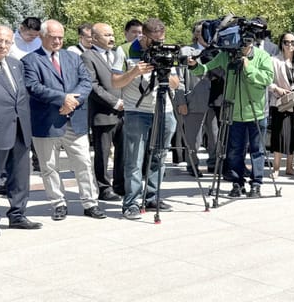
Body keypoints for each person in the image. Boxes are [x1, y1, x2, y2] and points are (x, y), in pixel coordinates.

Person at [22, 20, 105, 221]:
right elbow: (33, 87)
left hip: (74, 120)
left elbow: (85, 82)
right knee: (49, 165)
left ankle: (90, 202)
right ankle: (58, 203)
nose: (58, 41)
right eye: (53, 37)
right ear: (42, 36)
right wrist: (63, 99)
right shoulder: (30, 61)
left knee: (84, 162)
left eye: (60, 37)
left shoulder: (73, 58)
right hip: (46, 122)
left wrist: (72, 101)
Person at [189, 28, 275, 198]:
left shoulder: (262, 56)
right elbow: (204, 69)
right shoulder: (226, 55)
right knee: (235, 150)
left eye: (248, 43)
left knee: (257, 150)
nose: (244, 46)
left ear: (253, 42)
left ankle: (256, 184)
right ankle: (237, 183)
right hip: (234, 113)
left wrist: (248, 67)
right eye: (242, 42)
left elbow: (267, 79)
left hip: (256, 111)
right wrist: (194, 65)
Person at [113, 18, 181, 219]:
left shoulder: (166, 49)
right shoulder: (124, 50)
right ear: (143, 35)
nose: (158, 44)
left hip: (164, 109)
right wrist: (134, 72)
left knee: (160, 156)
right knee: (134, 159)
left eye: (162, 39)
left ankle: (152, 197)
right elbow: (115, 82)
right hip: (136, 110)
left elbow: (176, 83)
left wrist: (163, 71)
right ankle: (131, 203)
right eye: (155, 41)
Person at [0, 26, 43, 236]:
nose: (3, 46)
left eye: (8, 42)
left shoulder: (16, 65)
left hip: (20, 128)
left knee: (20, 175)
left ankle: (17, 214)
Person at [79, 23, 125, 201]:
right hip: (103, 113)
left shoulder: (116, 55)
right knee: (103, 153)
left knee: (123, 151)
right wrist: (114, 102)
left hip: (124, 112)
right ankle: (103, 187)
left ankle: (120, 185)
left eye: (112, 34)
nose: (111, 38)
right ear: (95, 38)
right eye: (106, 35)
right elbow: (92, 85)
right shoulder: (87, 56)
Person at [175, 22, 220, 178]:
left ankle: (214, 163)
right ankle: (192, 164)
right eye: (202, 31)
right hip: (193, 101)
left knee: (215, 136)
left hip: (215, 101)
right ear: (196, 34)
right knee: (193, 138)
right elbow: (179, 78)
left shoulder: (218, 51)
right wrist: (181, 101)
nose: (206, 34)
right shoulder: (187, 51)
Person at [268, 32, 294, 177]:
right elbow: (268, 81)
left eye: (293, 42)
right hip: (281, 103)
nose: (290, 45)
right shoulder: (274, 60)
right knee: (279, 135)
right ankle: (276, 168)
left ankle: (290, 167)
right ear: (281, 43)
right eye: (286, 42)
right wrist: (277, 89)